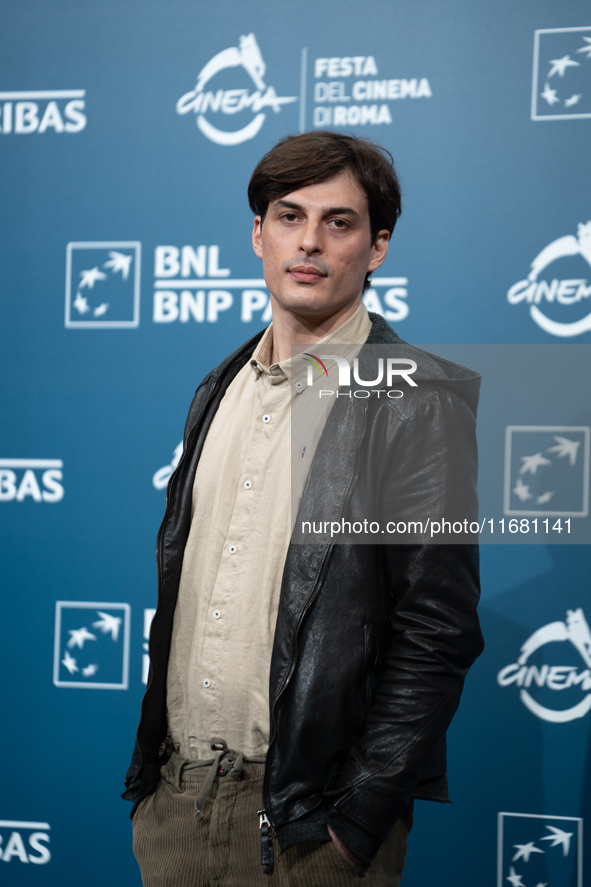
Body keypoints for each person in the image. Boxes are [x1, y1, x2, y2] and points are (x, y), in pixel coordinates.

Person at [124, 130, 484, 886]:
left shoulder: (413, 399)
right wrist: (154, 793)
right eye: (289, 216)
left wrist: (353, 823)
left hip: (309, 830)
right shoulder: (218, 387)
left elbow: (437, 628)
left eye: (339, 222)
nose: (309, 242)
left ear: (377, 246)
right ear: (258, 234)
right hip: (175, 809)